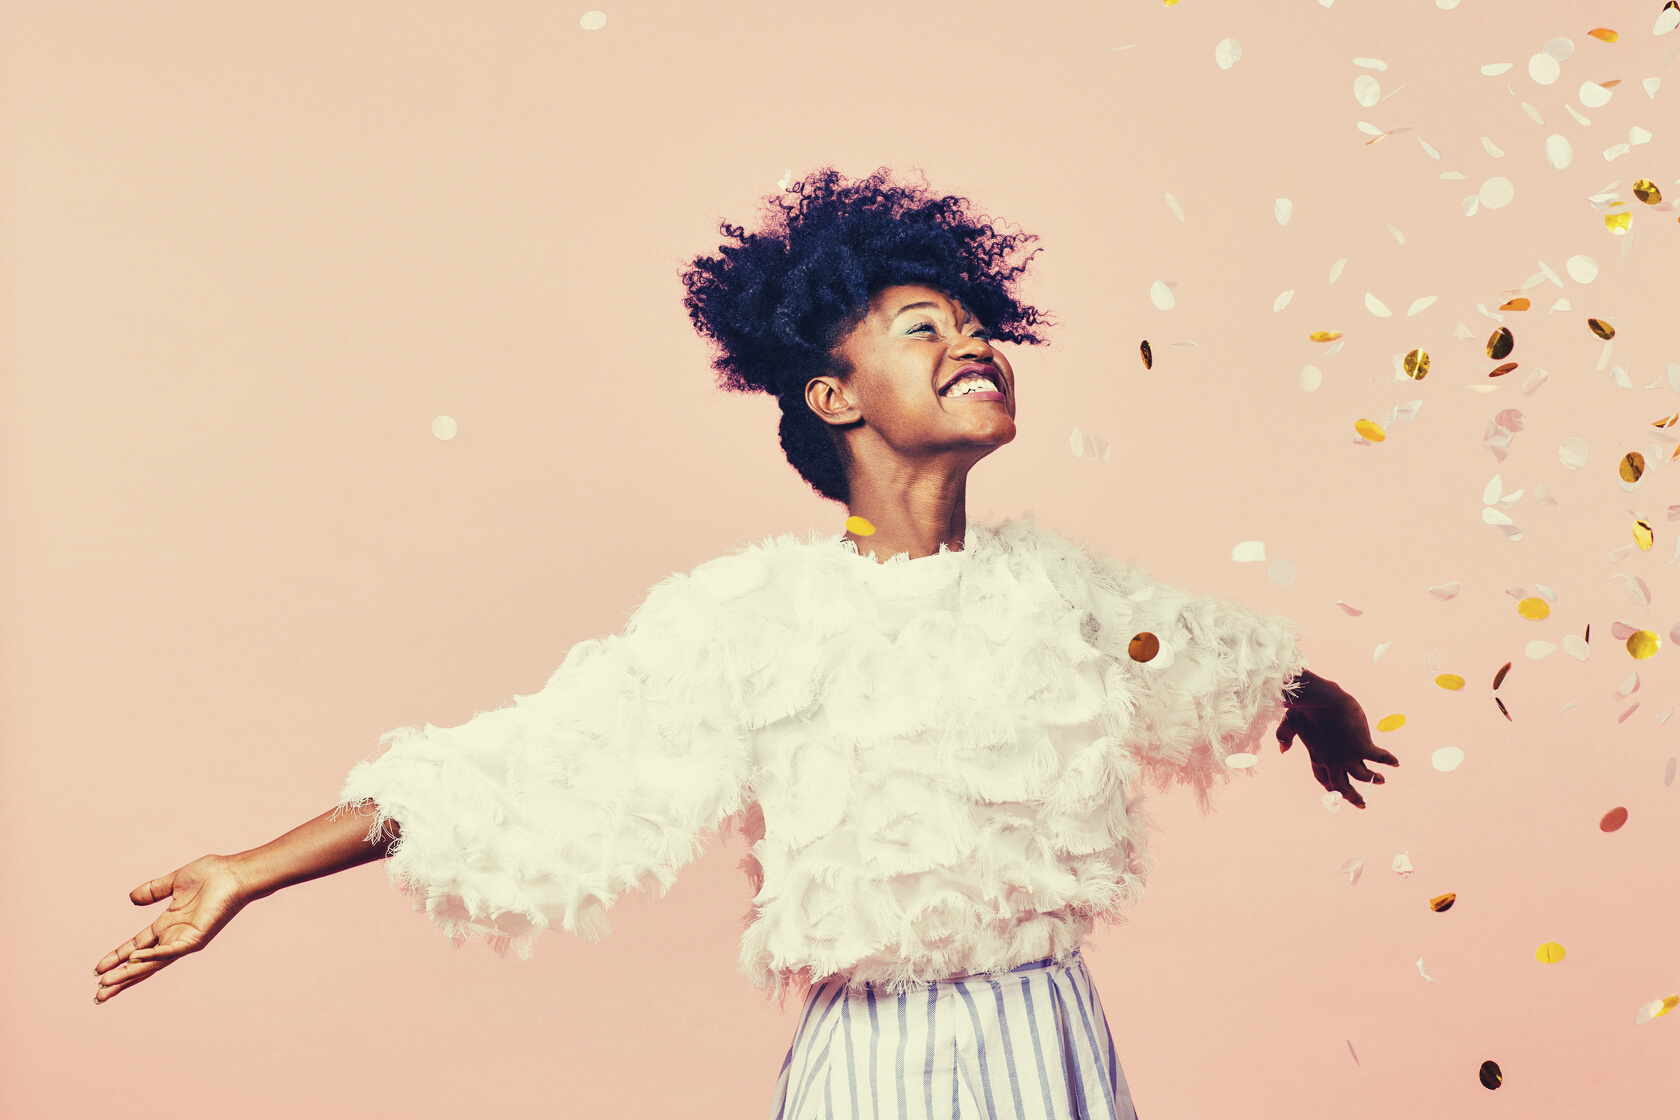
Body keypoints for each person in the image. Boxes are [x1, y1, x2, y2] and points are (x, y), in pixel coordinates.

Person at [94, 167, 1398, 1119]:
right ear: (835, 397)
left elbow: (1219, 660)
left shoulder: (1069, 596)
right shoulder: (756, 622)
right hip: (877, 1068)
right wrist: (250, 870)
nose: (974, 341)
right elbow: (532, 761)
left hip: (1053, 1043)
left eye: (978, 323)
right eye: (924, 328)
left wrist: (1315, 701)